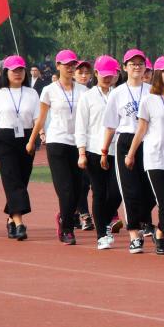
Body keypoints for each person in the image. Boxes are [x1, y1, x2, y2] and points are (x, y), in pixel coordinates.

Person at [120, 56, 164, 259]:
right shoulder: (149, 100)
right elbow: (141, 128)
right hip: (156, 157)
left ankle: (160, 233)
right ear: (158, 74)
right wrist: (131, 153)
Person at [27, 50, 87, 244]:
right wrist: (32, 140)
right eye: (66, 64)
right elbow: (41, 118)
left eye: (73, 65)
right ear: (58, 65)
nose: (70, 68)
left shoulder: (84, 91)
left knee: (78, 190)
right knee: (66, 188)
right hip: (57, 142)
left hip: (78, 143)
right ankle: (67, 229)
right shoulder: (49, 90)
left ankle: (63, 216)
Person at [0, 55, 39, 241]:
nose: (18, 73)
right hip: (4, 140)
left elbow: (38, 120)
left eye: (21, 70)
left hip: (27, 138)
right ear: (6, 72)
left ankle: (11, 219)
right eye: (14, 70)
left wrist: (34, 139)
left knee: (22, 179)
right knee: (12, 180)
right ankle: (19, 224)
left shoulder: (32, 93)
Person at [101, 49, 156, 254]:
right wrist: (104, 151)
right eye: (132, 64)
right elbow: (110, 125)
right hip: (125, 141)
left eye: (140, 64)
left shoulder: (152, 91)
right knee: (130, 190)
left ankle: (142, 221)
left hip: (148, 142)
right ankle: (134, 234)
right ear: (125, 67)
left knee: (151, 191)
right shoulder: (117, 93)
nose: (137, 67)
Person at [77, 55, 123, 249]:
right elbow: (81, 126)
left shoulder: (120, 95)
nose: (107, 78)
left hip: (117, 149)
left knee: (117, 192)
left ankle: (105, 221)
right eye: (103, 74)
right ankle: (101, 235)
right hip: (94, 150)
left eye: (110, 74)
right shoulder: (87, 97)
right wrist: (81, 153)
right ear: (96, 73)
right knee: (99, 192)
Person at [72, 60, 95, 230]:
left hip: (88, 142)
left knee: (85, 181)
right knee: (76, 182)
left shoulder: (92, 93)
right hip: (68, 142)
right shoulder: (66, 91)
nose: (84, 76)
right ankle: (81, 213)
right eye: (80, 72)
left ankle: (80, 213)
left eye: (87, 73)